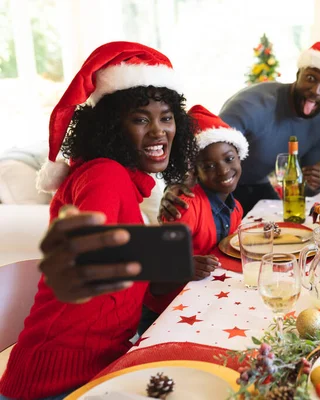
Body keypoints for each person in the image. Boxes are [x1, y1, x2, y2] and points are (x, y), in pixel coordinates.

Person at [0, 42, 198, 400]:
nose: (158, 131)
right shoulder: (105, 174)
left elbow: (121, 265)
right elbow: (93, 244)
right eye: (140, 119)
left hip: (101, 363)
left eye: (166, 117)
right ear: (110, 127)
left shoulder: (127, 179)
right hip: (55, 379)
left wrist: (172, 262)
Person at [160, 42, 320, 220]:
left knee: (280, 228)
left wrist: (315, 183)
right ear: (298, 75)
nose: (316, 90)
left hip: (256, 184)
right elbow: (201, 143)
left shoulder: (319, 126)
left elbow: (310, 188)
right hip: (215, 185)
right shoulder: (252, 105)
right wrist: (175, 184)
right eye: (311, 78)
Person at [138, 104, 248, 334]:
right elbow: (154, 284)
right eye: (208, 166)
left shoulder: (236, 208)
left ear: (240, 157)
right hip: (166, 315)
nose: (223, 170)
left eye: (229, 159)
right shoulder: (183, 207)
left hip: (204, 304)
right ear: (194, 172)